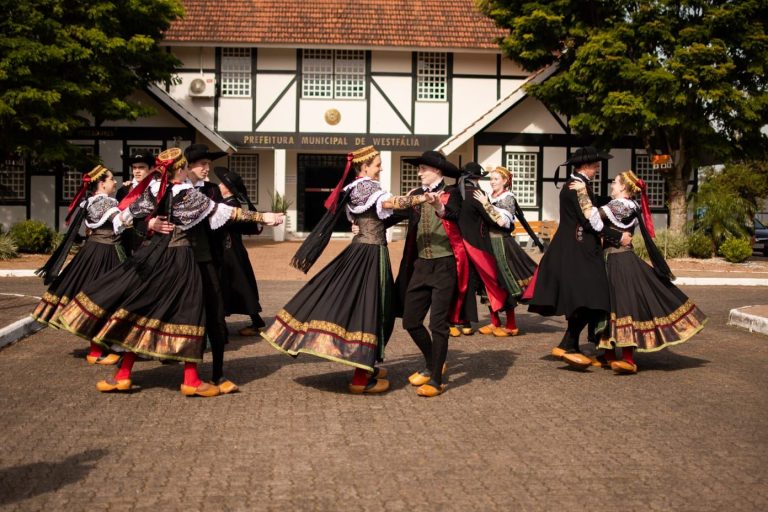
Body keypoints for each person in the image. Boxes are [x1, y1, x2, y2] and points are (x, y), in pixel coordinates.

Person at [57, 147, 284, 397]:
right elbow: (225, 212)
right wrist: (265, 216)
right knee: (188, 314)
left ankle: (124, 376)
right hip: (180, 259)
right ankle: (190, 379)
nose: (198, 169)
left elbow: (123, 216)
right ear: (182, 168)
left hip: (159, 259)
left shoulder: (156, 189)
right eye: (192, 165)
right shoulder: (184, 193)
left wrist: (149, 221)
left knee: (143, 311)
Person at [263, 145, 437, 394]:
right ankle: (360, 377)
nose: (381, 167)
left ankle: (365, 366)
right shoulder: (368, 186)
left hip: (360, 251)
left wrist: (407, 208)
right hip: (371, 254)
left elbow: (373, 218)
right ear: (364, 167)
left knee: (361, 308)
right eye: (377, 164)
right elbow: (389, 203)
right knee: (372, 311)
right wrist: (419, 198)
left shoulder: (353, 188)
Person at [569, 170, 707, 373]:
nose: (612, 185)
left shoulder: (621, 205)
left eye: (615, 182)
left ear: (624, 187)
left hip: (620, 261)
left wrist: (582, 193)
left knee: (623, 306)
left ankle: (628, 359)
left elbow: (592, 219)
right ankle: (608, 354)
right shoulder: (625, 205)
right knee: (608, 307)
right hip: (612, 259)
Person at [524, 146, 630, 369]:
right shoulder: (576, 187)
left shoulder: (579, 185)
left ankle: (571, 343)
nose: (598, 168)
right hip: (578, 249)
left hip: (576, 248)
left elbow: (593, 207)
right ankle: (571, 344)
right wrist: (618, 236)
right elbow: (590, 221)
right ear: (586, 166)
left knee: (587, 298)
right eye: (595, 165)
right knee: (594, 297)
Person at [32, 165, 123, 365]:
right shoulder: (102, 203)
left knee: (99, 299)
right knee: (101, 299)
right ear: (102, 184)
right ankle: (99, 349)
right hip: (103, 253)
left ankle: (102, 346)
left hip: (98, 252)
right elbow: (122, 222)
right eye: (111, 179)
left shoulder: (93, 202)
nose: (114, 182)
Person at [392, 150, 462, 397]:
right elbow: (392, 215)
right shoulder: (415, 195)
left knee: (438, 324)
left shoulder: (453, 193)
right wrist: (363, 220)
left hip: (445, 265)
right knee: (411, 321)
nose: (419, 172)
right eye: (419, 168)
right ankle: (434, 361)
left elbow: (455, 215)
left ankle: (436, 379)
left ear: (438, 171)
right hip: (420, 266)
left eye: (423, 169)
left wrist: (438, 205)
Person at [182, 143, 237, 391]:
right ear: (189, 166)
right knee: (185, 315)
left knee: (215, 315)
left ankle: (218, 373)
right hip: (180, 262)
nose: (207, 168)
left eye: (208, 164)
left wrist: (255, 222)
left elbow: (225, 218)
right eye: (202, 164)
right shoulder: (175, 190)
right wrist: (151, 222)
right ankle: (187, 373)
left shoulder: (213, 190)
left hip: (208, 260)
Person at [472, 166, 538, 336]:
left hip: (501, 243)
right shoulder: (489, 196)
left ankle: (511, 325)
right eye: (491, 179)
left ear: (505, 181)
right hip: (486, 243)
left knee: (504, 280)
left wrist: (485, 204)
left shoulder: (508, 198)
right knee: (488, 281)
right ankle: (495, 322)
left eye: (495, 179)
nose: (492, 182)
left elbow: (502, 222)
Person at [213, 166, 266, 336]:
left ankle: (255, 321)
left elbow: (224, 223)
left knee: (239, 284)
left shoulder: (232, 205)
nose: (219, 185)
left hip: (231, 251)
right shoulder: (225, 203)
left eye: (221, 183)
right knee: (229, 284)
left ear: (227, 188)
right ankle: (224, 321)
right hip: (227, 249)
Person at [116, 152, 155, 256]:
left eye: (141, 167)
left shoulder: (157, 189)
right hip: (128, 243)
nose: (137, 171)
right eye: (134, 168)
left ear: (151, 169)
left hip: (152, 241)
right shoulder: (123, 190)